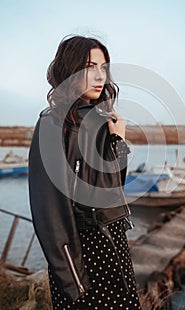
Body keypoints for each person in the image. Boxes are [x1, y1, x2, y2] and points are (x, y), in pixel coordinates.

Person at [28, 35, 142, 309]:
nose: (99, 75)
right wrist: (74, 282)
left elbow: (113, 189)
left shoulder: (101, 121)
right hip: (82, 261)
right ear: (70, 70)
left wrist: (119, 142)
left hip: (115, 250)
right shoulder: (53, 124)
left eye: (104, 67)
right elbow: (49, 212)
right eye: (90, 66)